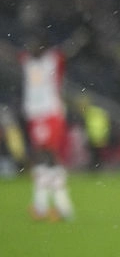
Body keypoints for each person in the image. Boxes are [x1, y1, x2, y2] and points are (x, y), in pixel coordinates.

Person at [19, 37, 76, 221]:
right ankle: (42, 205)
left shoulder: (52, 60)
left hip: (50, 112)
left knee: (50, 154)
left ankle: (62, 206)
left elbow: (69, 50)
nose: (32, 48)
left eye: (36, 46)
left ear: (44, 48)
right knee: (41, 156)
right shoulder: (27, 61)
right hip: (34, 115)